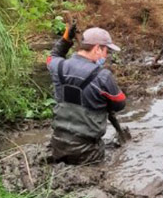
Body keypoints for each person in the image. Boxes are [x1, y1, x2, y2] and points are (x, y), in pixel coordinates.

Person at [45, 22, 126, 164]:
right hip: (88, 152)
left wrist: (66, 39)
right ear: (97, 49)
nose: (107, 55)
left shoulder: (58, 66)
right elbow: (120, 103)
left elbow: (53, 56)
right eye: (106, 50)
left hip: (58, 145)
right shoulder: (103, 76)